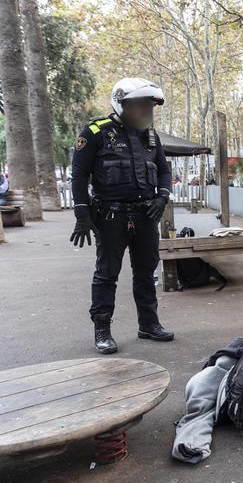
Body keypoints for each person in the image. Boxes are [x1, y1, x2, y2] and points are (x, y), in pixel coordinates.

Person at [69, 78, 174, 354]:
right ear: (122, 103)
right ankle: (102, 330)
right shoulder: (96, 131)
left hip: (145, 216)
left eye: (150, 105)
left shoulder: (151, 137)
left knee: (146, 271)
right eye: (141, 105)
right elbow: (79, 174)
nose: (147, 111)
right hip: (110, 216)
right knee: (106, 274)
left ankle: (148, 325)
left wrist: (162, 197)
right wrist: (81, 213)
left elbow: (163, 170)